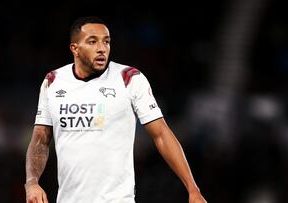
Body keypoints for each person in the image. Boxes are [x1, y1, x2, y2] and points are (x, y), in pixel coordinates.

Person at [25, 16, 207, 203]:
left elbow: (161, 133)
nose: (102, 48)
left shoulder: (128, 78)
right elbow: (40, 138)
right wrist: (32, 182)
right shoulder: (53, 81)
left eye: (106, 41)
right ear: (75, 48)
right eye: (92, 41)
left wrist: (192, 188)